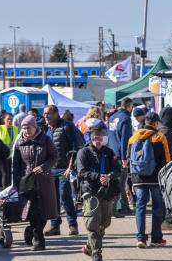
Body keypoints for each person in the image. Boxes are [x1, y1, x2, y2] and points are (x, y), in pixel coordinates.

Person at [12, 115, 58, 251]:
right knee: (32, 211)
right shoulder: (19, 142)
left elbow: (54, 156)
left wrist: (44, 167)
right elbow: (16, 164)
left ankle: (33, 232)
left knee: (44, 212)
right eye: (23, 128)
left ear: (35, 127)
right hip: (26, 181)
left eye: (28, 127)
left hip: (44, 180)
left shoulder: (45, 140)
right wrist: (16, 183)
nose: (26, 130)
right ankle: (38, 240)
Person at [77, 123, 120, 261]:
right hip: (90, 192)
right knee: (93, 224)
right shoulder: (84, 152)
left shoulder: (109, 152)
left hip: (107, 192)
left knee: (104, 223)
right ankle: (96, 253)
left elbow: (117, 170)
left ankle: (89, 246)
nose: (98, 139)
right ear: (91, 137)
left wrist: (109, 176)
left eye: (100, 136)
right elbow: (81, 172)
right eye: (95, 137)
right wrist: (98, 177)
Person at [128, 111, 171, 248]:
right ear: (155, 123)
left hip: (138, 178)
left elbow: (129, 158)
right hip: (155, 178)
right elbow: (166, 160)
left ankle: (141, 238)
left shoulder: (133, 138)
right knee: (157, 207)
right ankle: (156, 238)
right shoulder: (160, 137)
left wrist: (132, 180)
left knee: (140, 206)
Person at [43, 104, 84, 236]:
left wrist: (70, 167)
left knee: (65, 197)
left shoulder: (67, 126)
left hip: (64, 169)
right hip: (51, 169)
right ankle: (55, 226)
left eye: (48, 113)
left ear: (56, 114)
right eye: (44, 113)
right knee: (52, 199)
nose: (46, 116)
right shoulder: (48, 129)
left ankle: (73, 225)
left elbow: (75, 147)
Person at [107, 98, 134, 217]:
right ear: (129, 106)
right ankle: (120, 208)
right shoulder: (126, 118)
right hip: (121, 154)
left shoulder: (112, 117)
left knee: (117, 181)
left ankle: (123, 207)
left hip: (111, 152)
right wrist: (125, 156)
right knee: (121, 183)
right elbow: (125, 139)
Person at [0, 112, 19, 188]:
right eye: (8, 119)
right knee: (5, 174)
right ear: (4, 120)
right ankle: (5, 191)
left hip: (12, 154)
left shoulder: (16, 129)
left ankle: (9, 190)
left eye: (11, 119)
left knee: (10, 173)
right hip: (2, 155)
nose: (10, 121)